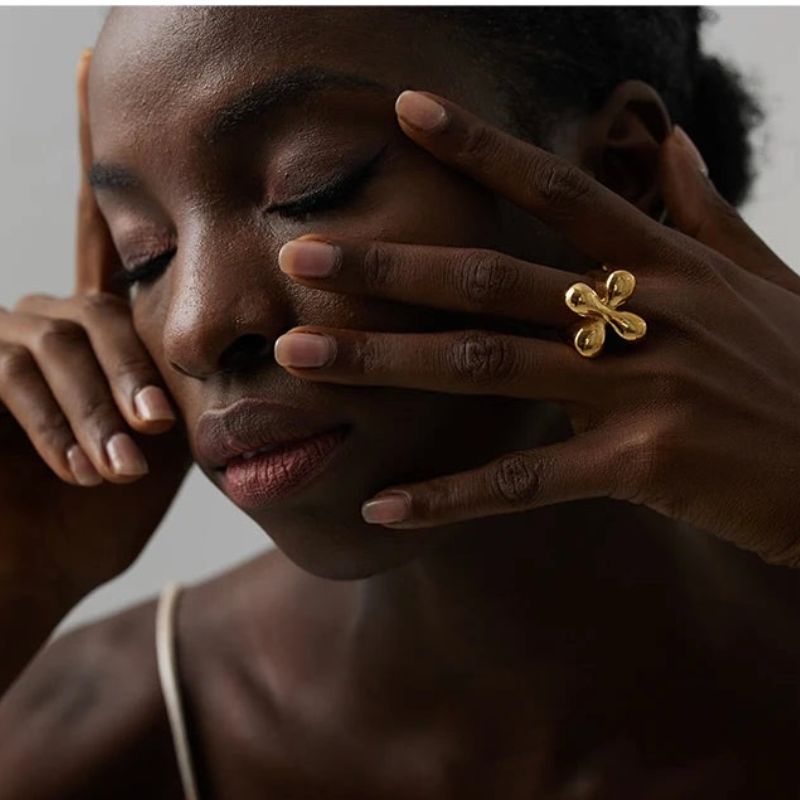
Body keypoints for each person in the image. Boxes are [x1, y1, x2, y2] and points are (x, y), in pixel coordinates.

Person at [2, 6, 800, 798]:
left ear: (618, 172)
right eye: (148, 256)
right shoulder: (94, 743)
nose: (193, 326)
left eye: (316, 187)